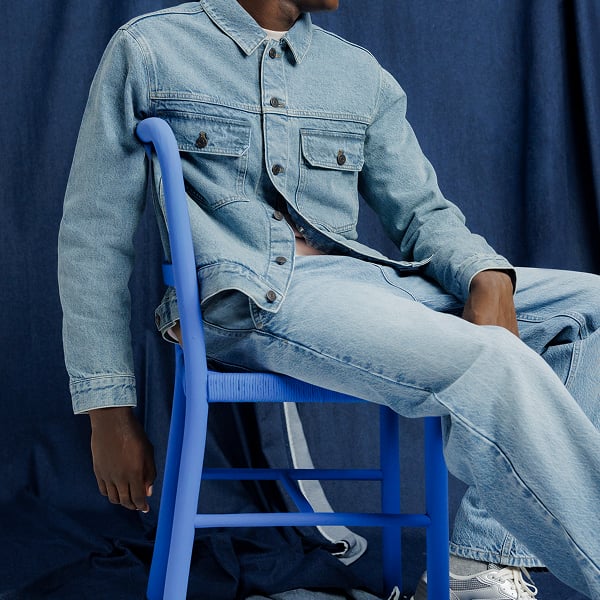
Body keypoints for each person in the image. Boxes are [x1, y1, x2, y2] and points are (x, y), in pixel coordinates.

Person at [57, 1, 600, 598]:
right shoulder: (150, 50)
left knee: (593, 306)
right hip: (255, 299)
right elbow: (94, 236)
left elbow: (423, 213)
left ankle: (477, 561)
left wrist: (486, 275)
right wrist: (108, 409)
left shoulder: (357, 73)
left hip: (368, 283)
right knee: (492, 360)